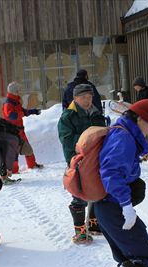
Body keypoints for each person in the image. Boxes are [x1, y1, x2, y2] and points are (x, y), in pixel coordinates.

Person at [94, 99, 148, 267]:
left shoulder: (124, 134)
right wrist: (125, 205)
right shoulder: (124, 137)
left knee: (130, 256)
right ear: (140, 119)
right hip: (112, 206)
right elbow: (111, 172)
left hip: (107, 206)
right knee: (143, 255)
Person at [58, 84, 107, 243]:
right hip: (78, 161)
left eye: (90, 97)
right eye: (84, 97)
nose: (87, 100)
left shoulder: (96, 113)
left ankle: (93, 223)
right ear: (75, 98)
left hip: (97, 159)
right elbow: (67, 141)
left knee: (98, 191)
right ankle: (79, 231)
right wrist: (87, 140)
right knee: (79, 195)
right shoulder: (68, 116)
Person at [2, 81, 43, 174]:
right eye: (19, 90)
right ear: (14, 91)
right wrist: (22, 113)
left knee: (27, 147)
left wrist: (32, 111)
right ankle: (13, 170)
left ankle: (32, 165)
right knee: (14, 151)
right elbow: (12, 116)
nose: (20, 91)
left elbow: (22, 111)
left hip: (19, 130)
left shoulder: (15, 101)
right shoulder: (8, 103)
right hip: (11, 131)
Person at [131, 77, 148, 160]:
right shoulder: (141, 93)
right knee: (142, 135)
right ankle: (145, 153)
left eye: (135, 86)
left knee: (146, 135)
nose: (134, 88)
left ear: (140, 85)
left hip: (146, 117)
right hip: (141, 116)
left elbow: (146, 106)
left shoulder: (146, 94)